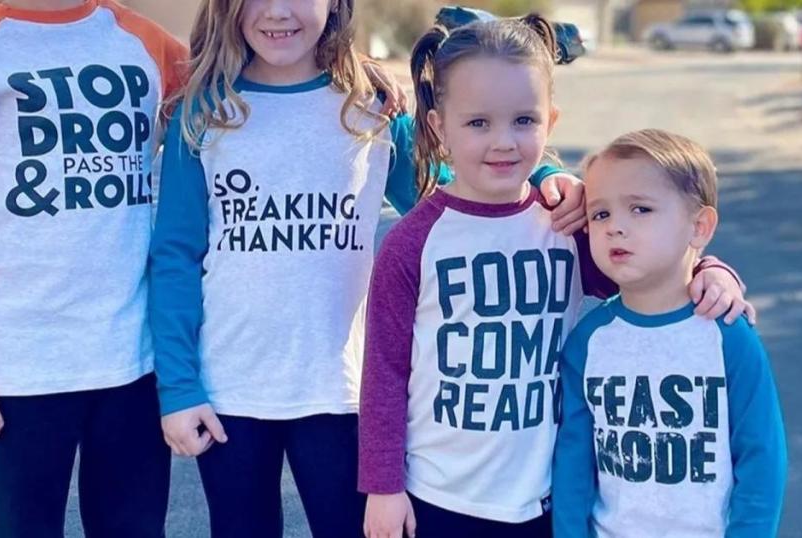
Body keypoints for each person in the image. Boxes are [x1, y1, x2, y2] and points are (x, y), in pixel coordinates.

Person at [147, 1, 587, 537]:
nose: (278, 11)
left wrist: (542, 175)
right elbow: (175, 257)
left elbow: (462, 185)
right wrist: (179, 386)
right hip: (229, 391)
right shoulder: (204, 113)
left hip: (345, 392)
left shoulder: (372, 108)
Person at [357, 17, 754, 538]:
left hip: (546, 500)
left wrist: (710, 269)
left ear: (551, 121)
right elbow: (384, 373)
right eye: (478, 123)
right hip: (437, 496)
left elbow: (652, 271)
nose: (503, 141)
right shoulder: (413, 242)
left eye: (524, 120)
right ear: (438, 127)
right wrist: (383, 487)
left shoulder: (566, 223)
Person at [0, 1, 188, 536]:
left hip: (132, 360)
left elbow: (243, 82)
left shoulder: (144, 41)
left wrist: (342, 69)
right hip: (20, 368)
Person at [552, 129, 787, 537]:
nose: (615, 227)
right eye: (600, 214)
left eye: (640, 209)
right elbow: (573, 465)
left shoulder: (728, 335)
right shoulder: (587, 341)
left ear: (699, 227)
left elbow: (762, 458)